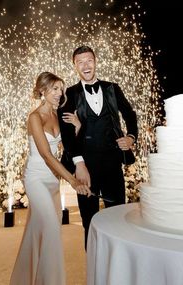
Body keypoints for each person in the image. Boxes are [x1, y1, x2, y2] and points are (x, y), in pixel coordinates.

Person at [10, 71, 91, 285]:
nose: (60, 93)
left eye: (61, 89)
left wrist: (78, 127)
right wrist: (73, 182)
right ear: (43, 90)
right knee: (53, 231)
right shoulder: (34, 117)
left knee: (36, 231)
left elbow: (69, 149)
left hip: (53, 181)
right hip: (36, 179)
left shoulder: (59, 115)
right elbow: (46, 155)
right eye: (55, 89)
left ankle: (24, 280)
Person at [58, 46, 138, 249]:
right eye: (80, 62)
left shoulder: (112, 88)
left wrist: (130, 137)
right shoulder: (69, 93)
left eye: (89, 60)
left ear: (95, 61)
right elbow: (67, 134)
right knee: (89, 220)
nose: (86, 65)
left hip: (112, 164)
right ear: (75, 65)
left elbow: (130, 114)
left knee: (119, 215)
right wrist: (79, 164)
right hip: (86, 167)